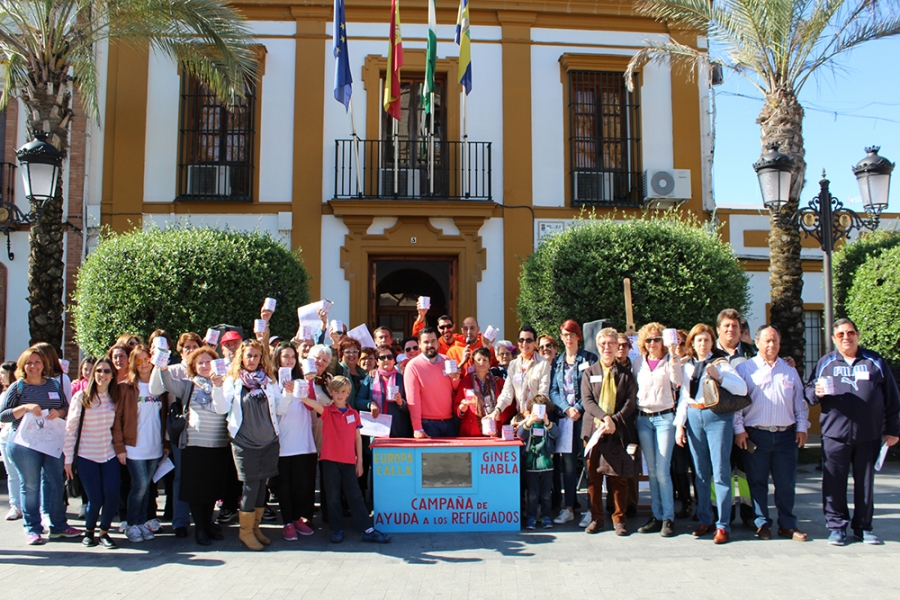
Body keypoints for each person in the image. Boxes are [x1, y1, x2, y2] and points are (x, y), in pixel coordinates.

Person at [806, 318, 900, 546]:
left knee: (865, 484)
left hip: (868, 435)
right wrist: (816, 392)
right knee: (834, 483)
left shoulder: (874, 361)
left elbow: (892, 397)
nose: (846, 338)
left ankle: (863, 527)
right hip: (834, 435)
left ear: (857, 335)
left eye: (850, 333)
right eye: (840, 334)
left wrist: (893, 429)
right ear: (833, 338)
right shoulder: (826, 362)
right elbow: (808, 393)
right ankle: (837, 527)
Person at [212, 339, 290, 551]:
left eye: (256, 356)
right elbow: (221, 408)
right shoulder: (232, 380)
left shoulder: (269, 380)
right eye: (249, 356)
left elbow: (280, 410)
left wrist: (288, 393)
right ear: (241, 357)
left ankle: (255, 528)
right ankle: (245, 532)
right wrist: (217, 387)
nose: (253, 359)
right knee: (250, 485)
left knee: (262, 486)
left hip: (269, 441)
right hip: (245, 442)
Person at [734, 325, 810, 542]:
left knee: (785, 483)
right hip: (756, 435)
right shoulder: (746, 369)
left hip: (786, 436)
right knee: (757, 482)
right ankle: (762, 523)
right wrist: (739, 430)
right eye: (767, 340)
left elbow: (799, 401)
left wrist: (802, 427)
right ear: (757, 342)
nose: (771, 344)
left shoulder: (789, 370)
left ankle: (787, 524)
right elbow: (738, 403)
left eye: (775, 340)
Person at [674, 324, 748, 544]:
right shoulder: (688, 366)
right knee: (700, 473)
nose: (703, 344)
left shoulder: (720, 363)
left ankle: (723, 525)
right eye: (698, 340)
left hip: (717, 417)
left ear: (712, 342)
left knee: (721, 471)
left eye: (706, 340)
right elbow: (684, 398)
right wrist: (680, 425)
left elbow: (742, 389)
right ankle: (705, 518)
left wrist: (720, 377)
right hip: (694, 417)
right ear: (692, 343)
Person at [151, 346, 231, 546]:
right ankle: (200, 529)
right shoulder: (188, 385)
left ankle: (208, 524)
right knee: (196, 489)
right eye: (200, 362)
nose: (204, 366)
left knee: (212, 487)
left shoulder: (224, 383)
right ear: (194, 366)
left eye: (208, 361)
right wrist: (162, 367)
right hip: (194, 444)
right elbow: (168, 383)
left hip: (218, 443)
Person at [0, 347, 81, 545]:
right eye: (29, 363)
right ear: (22, 366)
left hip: (51, 442)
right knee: (30, 486)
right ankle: (33, 528)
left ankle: (58, 526)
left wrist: (59, 413)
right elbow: (3, 415)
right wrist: (24, 408)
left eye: (37, 362)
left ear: (44, 365)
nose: (33, 366)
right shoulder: (17, 387)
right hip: (24, 445)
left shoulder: (53, 384)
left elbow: (65, 407)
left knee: (55, 483)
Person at [296, 376, 391, 544]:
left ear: (348, 393)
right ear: (330, 392)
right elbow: (310, 402)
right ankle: (337, 529)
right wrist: (298, 389)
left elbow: (357, 438)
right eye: (336, 391)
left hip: (349, 462)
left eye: (343, 392)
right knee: (333, 497)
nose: (339, 395)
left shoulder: (354, 414)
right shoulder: (326, 411)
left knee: (355, 496)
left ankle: (367, 529)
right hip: (329, 461)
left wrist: (359, 461)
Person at [580, 328, 638, 536]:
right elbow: (587, 401)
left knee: (618, 477)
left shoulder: (625, 374)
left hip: (617, 431)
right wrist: (605, 418)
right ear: (598, 346)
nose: (607, 347)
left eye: (611, 343)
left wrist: (614, 422)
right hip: (593, 430)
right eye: (603, 343)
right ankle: (597, 519)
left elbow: (630, 403)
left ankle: (619, 519)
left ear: (617, 346)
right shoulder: (589, 372)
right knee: (593, 478)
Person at [113, 344, 168, 543]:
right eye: (139, 360)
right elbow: (117, 420)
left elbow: (164, 417)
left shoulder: (159, 387)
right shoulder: (125, 387)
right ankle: (131, 524)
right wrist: (119, 447)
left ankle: (143, 523)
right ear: (133, 363)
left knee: (147, 487)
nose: (144, 364)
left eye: (147, 359)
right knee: (140, 485)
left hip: (154, 446)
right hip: (133, 447)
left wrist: (165, 443)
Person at [63, 357, 120, 549]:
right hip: (86, 455)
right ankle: (89, 532)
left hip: (109, 455)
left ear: (112, 375)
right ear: (93, 374)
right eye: (99, 371)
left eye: (107, 371)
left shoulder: (114, 397)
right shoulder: (81, 397)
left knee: (112, 495)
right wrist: (68, 459)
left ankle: (104, 531)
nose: (102, 375)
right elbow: (71, 429)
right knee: (95, 498)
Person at [633, 323, 683, 538]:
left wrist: (674, 354)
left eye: (656, 339)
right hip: (643, 419)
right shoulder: (638, 362)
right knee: (652, 471)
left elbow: (678, 381)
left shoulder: (670, 360)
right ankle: (657, 515)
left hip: (664, 418)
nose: (652, 343)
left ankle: (668, 517)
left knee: (662, 470)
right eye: (648, 340)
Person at [548, 320, 597, 526]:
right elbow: (553, 390)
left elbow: (593, 387)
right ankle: (568, 507)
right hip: (565, 419)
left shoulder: (589, 359)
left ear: (578, 336)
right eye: (565, 335)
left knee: (588, 463)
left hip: (584, 418)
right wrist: (566, 409)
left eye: (572, 334)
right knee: (568, 466)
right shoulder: (557, 361)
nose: (569, 338)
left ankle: (592, 509)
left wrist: (577, 407)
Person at [271, 342, 317, 541]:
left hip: (303, 442)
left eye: (292, 356)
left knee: (302, 484)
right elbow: (278, 410)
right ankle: (287, 522)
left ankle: (298, 518)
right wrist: (287, 393)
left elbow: (310, 407)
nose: (289, 360)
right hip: (283, 442)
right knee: (284, 485)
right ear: (278, 359)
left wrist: (310, 383)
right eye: (285, 356)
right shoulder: (272, 382)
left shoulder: (302, 380)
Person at [404, 327, 461, 438]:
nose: (430, 345)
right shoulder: (413, 366)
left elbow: (455, 389)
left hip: (450, 421)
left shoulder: (447, 361)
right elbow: (413, 400)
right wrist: (417, 428)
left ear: (438, 342)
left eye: (433, 341)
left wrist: (455, 379)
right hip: (428, 424)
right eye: (426, 342)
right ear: (419, 344)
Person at [492, 326, 551, 428]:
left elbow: (543, 396)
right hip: (519, 417)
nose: (524, 343)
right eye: (521, 340)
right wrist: (497, 410)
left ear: (535, 343)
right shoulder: (513, 364)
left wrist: (529, 420)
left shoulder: (543, 364)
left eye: (528, 340)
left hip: (536, 419)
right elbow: (507, 392)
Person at [519, 394, 560, 530]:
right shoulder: (528, 425)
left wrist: (547, 422)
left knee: (546, 494)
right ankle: (531, 516)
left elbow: (556, 434)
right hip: (531, 465)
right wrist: (529, 422)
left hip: (546, 465)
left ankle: (546, 516)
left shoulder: (550, 425)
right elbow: (520, 435)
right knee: (532, 494)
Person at [454, 347, 505, 437]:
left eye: (485, 360)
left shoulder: (499, 382)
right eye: (478, 360)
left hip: (494, 431)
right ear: (473, 364)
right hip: (471, 432)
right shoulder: (465, 382)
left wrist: (500, 416)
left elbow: (508, 405)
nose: (481, 362)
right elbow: (456, 406)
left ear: (489, 363)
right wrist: (462, 408)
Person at [364, 345, 412, 438]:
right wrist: (370, 404)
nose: (386, 360)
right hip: (376, 429)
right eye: (382, 358)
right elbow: (359, 400)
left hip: (398, 430)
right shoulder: (371, 378)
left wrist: (401, 403)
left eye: (389, 357)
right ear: (377, 362)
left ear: (394, 360)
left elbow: (412, 406)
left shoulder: (402, 378)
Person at [1, 361, 22, 521]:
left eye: (3, 373)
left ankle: (27, 506)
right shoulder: (3, 393)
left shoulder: (17, 391)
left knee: (24, 474)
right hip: (4, 437)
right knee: (11, 474)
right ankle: (15, 505)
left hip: (18, 438)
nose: (1, 377)